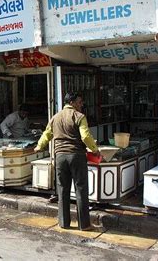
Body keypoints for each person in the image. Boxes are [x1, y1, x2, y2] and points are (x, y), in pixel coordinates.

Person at [34, 93, 100, 231]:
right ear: (72, 102)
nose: (81, 105)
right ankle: (85, 224)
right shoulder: (79, 117)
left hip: (60, 157)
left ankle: (64, 223)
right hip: (76, 155)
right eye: (79, 102)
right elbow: (86, 136)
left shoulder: (55, 117)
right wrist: (94, 149)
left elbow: (47, 134)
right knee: (81, 189)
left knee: (62, 189)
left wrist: (39, 146)